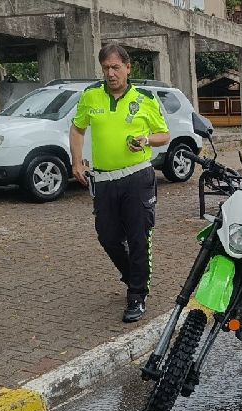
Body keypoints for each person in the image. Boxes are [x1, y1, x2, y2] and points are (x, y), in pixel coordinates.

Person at [70, 43, 170, 323]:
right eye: (106, 68)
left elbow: (164, 135)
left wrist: (146, 140)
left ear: (128, 68)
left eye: (116, 67)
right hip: (104, 180)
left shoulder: (144, 99)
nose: (111, 73)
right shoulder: (91, 96)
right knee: (108, 237)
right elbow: (77, 129)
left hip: (137, 177)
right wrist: (76, 162)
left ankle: (137, 294)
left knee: (139, 237)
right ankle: (133, 275)